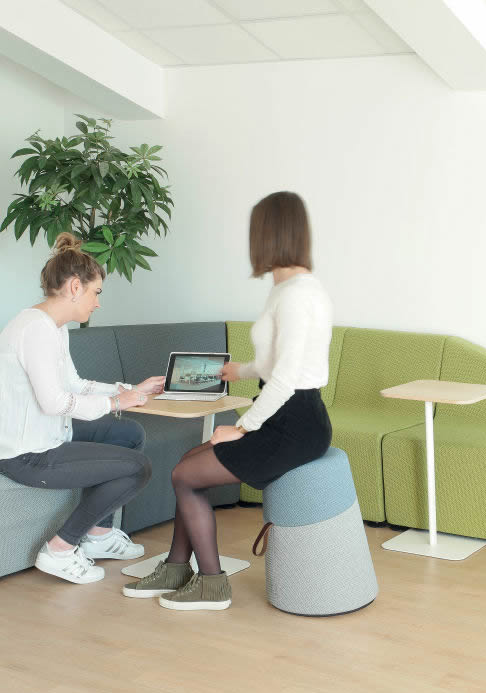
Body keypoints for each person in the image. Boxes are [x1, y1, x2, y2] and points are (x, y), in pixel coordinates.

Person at [122, 191, 333, 610]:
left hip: (293, 423)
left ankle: (211, 583)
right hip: (289, 415)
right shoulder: (291, 288)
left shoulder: (296, 294)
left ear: (269, 234)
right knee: (188, 465)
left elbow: (287, 378)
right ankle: (177, 567)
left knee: (185, 475)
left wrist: (241, 427)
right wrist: (242, 370)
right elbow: (279, 362)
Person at [0, 232, 164, 585]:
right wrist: (115, 403)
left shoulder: (53, 326)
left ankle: (99, 535)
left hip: (47, 433)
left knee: (128, 434)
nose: (97, 303)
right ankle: (60, 549)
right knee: (137, 468)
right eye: (96, 292)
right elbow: (54, 402)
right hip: (23, 453)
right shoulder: (35, 330)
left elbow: (75, 385)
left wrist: (129, 390)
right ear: (75, 287)